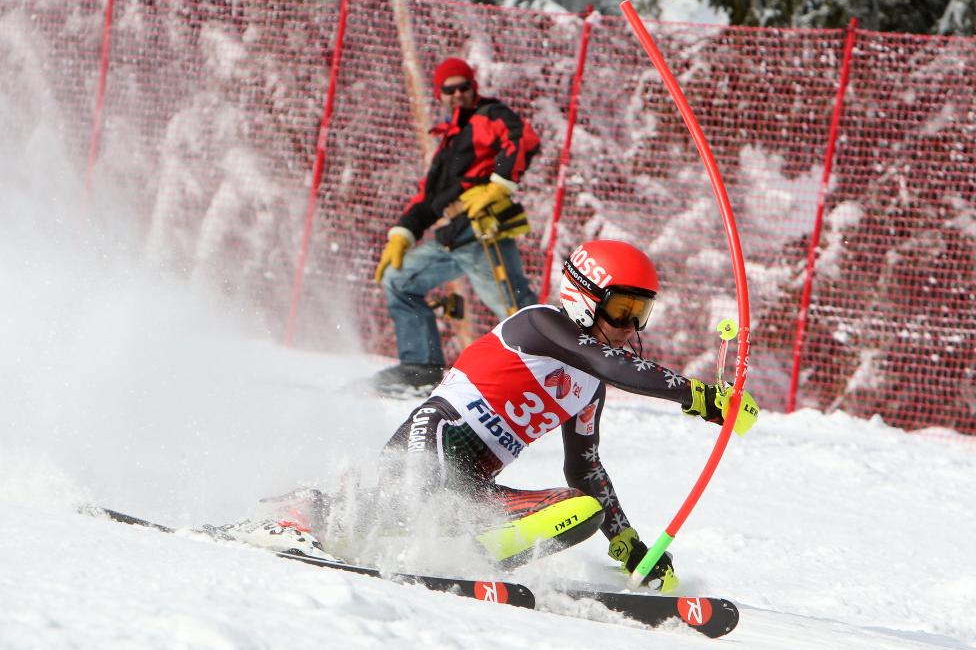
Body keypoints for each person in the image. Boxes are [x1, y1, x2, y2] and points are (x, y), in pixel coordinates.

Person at [219, 240, 758, 587]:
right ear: (584, 296)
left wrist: (628, 543)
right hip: (435, 440)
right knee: (403, 498)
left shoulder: (590, 384)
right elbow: (609, 362)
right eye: (621, 311)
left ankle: (455, 555)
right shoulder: (541, 325)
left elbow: (585, 466)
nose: (629, 328)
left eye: (640, 314)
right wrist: (699, 395)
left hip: (474, 482)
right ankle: (298, 512)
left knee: (582, 509)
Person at [371, 57, 541, 396]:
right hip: (452, 236)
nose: (457, 94)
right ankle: (420, 369)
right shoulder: (451, 139)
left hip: (481, 233)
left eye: (464, 87)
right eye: (449, 90)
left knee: (513, 308)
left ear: (473, 88)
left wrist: (498, 185)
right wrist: (403, 234)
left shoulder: (487, 116)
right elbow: (429, 197)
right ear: (439, 95)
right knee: (399, 279)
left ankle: (549, 372)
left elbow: (523, 137)